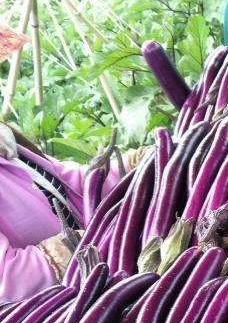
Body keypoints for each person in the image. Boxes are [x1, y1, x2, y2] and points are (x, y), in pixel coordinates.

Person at [0, 123, 143, 302]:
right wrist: (66, 250)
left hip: (95, 284)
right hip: (51, 315)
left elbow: (64, 184)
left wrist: (126, 168)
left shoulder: (4, 140)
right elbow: (5, 279)